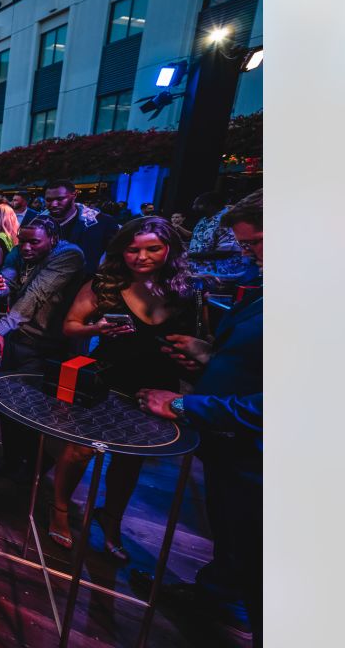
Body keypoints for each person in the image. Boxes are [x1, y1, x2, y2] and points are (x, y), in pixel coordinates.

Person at [137, 189, 263, 641]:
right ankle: (215, 593)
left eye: (255, 244)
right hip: (232, 448)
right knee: (232, 537)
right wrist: (210, 355)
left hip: (259, 458)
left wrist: (183, 404)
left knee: (261, 562)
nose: (248, 255)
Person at [50, 217, 199, 557]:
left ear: (169, 250)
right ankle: (59, 510)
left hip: (157, 385)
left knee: (130, 459)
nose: (141, 257)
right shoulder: (105, 284)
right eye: (133, 249)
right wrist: (97, 329)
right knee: (81, 449)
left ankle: (111, 519)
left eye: (152, 249)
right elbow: (71, 326)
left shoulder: (183, 289)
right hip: (106, 379)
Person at [0, 216, 88, 480]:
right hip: (17, 338)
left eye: (34, 242)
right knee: (6, 402)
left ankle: (36, 465)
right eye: (22, 241)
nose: (26, 247)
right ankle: (11, 458)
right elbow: (8, 279)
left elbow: (36, 294)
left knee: (33, 409)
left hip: (46, 345)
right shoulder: (20, 251)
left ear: (53, 240)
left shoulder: (69, 254)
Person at [42, 179, 120, 275]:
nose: (54, 204)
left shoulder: (102, 223)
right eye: (49, 200)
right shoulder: (38, 223)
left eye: (60, 199)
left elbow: (116, 257)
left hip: (88, 283)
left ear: (74, 196)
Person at [188, 191, 249, 281]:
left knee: (203, 295)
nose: (193, 207)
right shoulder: (204, 219)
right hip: (202, 274)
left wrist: (189, 255)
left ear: (209, 205)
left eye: (197, 204)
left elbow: (226, 251)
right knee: (198, 295)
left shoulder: (227, 220)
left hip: (222, 276)